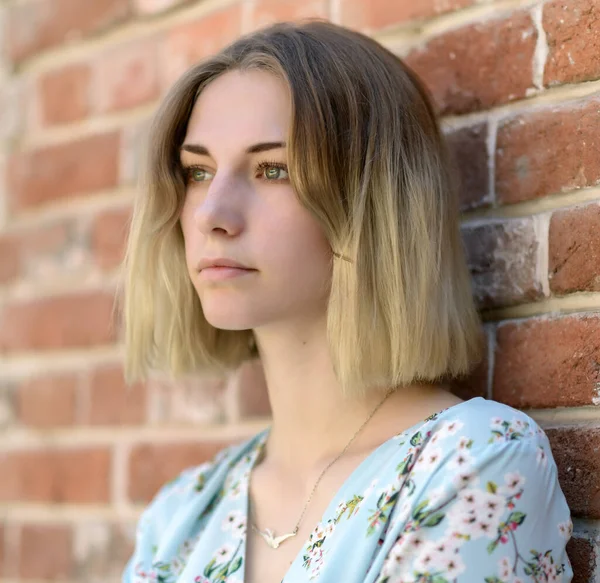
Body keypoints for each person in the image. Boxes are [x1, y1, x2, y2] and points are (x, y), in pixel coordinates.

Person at [118, 19, 573, 583]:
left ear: (372, 203)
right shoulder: (182, 516)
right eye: (198, 171)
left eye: (273, 169)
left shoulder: (472, 463)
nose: (212, 213)